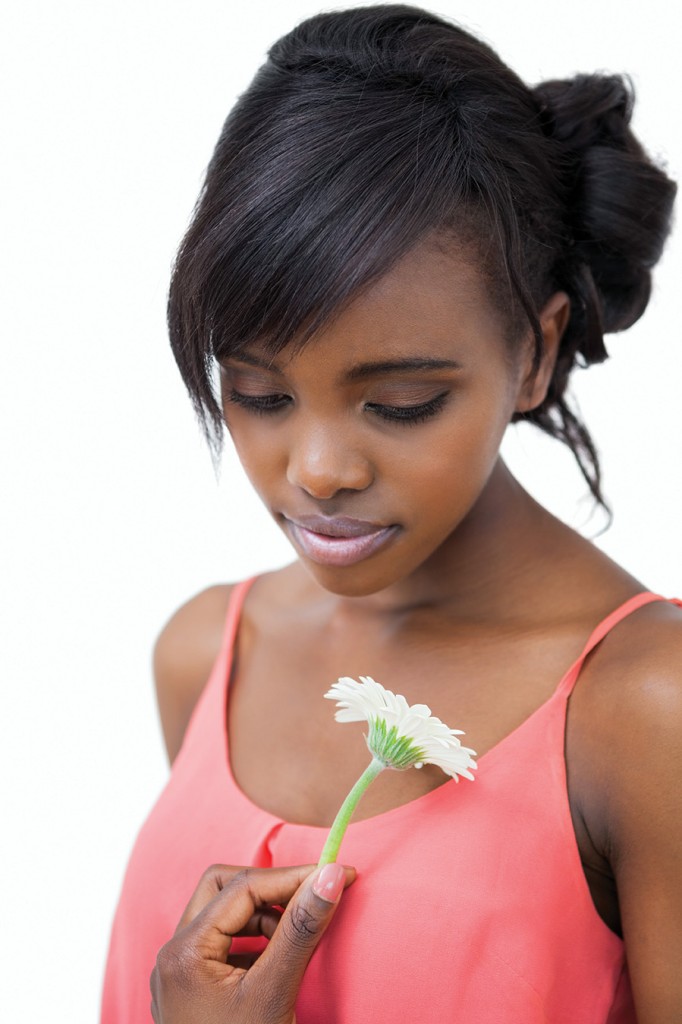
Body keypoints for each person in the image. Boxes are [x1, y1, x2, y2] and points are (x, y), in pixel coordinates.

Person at [101, 5, 681, 1022]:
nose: (317, 471)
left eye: (401, 403)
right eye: (258, 392)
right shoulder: (204, 654)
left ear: (537, 352)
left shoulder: (645, 713)